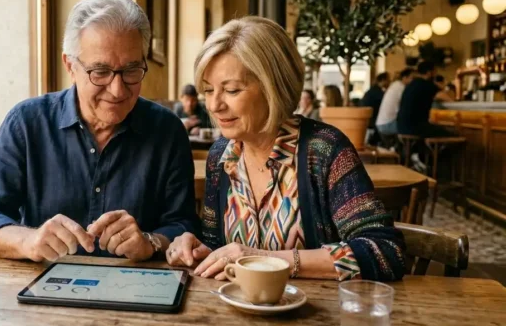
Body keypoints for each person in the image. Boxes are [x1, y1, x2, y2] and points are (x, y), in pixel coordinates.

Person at [0, 0, 198, 263]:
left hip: (138, 283)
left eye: (131, 70)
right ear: (70, 66)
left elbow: (184, 225)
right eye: (100, 71)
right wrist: (28, 241)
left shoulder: (167, 131)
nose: (117, 90)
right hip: (42, 282)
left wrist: (150, 242)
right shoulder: (27, 123)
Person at [165, 16, 405, 282]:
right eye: (208, 90)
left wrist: (266, 260)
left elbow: (385, 251)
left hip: (316, 308)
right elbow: (217, 246)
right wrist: (195, 248)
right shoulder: (221, 156)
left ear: (274, 88)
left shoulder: (324, 150)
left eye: (231, 90)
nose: (214, 105)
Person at [396, 61, 453, 138]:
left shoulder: (411, 84)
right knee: (454, 136)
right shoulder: (427, 84)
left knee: (435, 129)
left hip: (401, 128)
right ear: (429, 72)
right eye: (435, 71)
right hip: (415, 128)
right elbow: (446, 97)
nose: (436, 74)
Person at [375, 68, 414, 136]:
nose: (414, 81)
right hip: (387, 125)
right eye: (412, 78)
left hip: (381, 124)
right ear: (404, 78)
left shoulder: (395, 85)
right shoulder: (401, 88)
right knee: (414, 128)